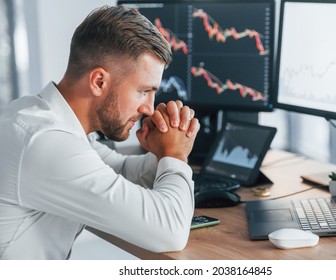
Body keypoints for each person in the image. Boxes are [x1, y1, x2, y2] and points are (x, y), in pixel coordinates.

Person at [0, 5, 200, 259]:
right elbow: (169, 232)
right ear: (99, 82)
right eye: (143, 91)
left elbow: (123, 174)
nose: (149, 108)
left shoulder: (48, 119)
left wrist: (163, 149)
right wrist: (175, 155)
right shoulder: (46, 142)